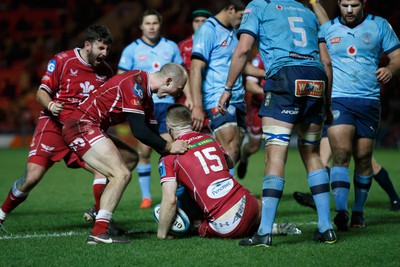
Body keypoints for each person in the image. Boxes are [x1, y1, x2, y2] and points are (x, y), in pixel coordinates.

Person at [218, 0, 336, 247]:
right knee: (311, 152)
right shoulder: (307, 11)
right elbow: (326, 62)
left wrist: (228, 88)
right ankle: (326, 227)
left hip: (284, 76)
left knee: (275, 153)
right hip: (315, 78)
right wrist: (326, 102)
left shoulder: (260, 6)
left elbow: (242, 50)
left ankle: (263, 232)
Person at [0, 25, 138, 234]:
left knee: (108, 167)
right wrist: (51, 105)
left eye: (107, 49)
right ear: (87, 45)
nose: (105, 54)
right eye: (100, 48)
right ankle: (1, 214)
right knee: (32, 177)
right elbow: (41, 93)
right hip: (54, 125)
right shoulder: (63, 61)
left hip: (82, 129)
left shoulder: (106, 72)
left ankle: (100, 219)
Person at [62, 62, 189, 244]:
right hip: (81, 126)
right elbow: (139, 131)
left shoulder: (147, 96)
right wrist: (170, 147)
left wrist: (178, 149)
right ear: (168, 81)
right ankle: (99, 231)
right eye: (179, 88)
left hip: (91, 127)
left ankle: (99, 211)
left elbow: (152, 134)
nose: (178, 94)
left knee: (130, 158)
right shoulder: (134, 84)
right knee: (121, 174)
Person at [305, 0, 400, 231]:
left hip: (369, 102)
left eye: (354, 5)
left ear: (363, 3)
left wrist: (390, 69)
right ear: (338, 3)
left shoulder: (380, 26)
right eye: (345, 4)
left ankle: (358, 210)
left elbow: (397, 56)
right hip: (339, 100)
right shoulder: (328, 29)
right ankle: (342, 212)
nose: (349, 10)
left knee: (365, 158)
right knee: (341, 153)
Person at [156, 104, 301, 239]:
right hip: (253, 205)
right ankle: (269, 227)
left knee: (196, 225)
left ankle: (198, 223)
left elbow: (170, 200)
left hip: (230, 224)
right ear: (191, 123)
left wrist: (161, 234)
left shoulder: (169, 158)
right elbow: (230, 163)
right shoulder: (209, 139)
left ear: (169, 128)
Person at [118, 9, 191, 209]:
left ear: (160, 25)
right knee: (144, 150)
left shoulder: (171, 47)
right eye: (147, 23)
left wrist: (190, 98)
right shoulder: (131, 49)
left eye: (155, 23)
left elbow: (182, 74)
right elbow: (121, 76)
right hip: (142, 104)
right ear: (141, 26)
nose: (151, 27)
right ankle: (146, 196)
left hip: (166, 105)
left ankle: (176, 191)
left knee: (169, 149)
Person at [190, 0, 264, 177]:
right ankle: (224, 197)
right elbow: (195, 68)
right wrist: (197, 105)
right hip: (217, 97)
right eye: (241, 16)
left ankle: (204, 189)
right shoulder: (208, 30)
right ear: (231, 9)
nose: (242, 21)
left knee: (234, 150)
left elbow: (241, 66)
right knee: (230, 147)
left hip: (237, 97)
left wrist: (265, 74)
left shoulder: (234, 31)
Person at [237, 53, 265, 179]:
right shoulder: (259, 59)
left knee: (276, 148)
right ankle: (244, 157)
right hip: (259, 109)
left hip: (278, 108)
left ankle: (270, 192)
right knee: (253, 147)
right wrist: (269, 92)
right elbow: (250, 85)